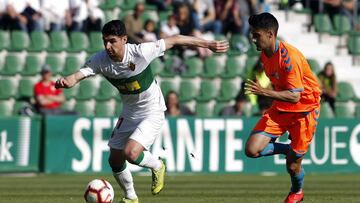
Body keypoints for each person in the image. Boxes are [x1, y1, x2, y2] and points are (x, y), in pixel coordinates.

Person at [55, 20, 228, 203]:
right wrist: (69, 80)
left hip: (152, 110)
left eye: (112, 41)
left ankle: (157, 165)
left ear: (124, 39)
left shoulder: (140, 52)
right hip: (129, 112)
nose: (108, 46)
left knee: (131, 153)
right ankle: (131, 197)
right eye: (104, 41)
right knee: (115, 159)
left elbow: (175, 40)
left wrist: (208, 44)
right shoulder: (101, 60)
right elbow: (80, 73)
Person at [244, 13, 321, 203]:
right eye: (252, 34)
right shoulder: (264, 55)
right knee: (252, 150)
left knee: (293, 166)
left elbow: (295, 96)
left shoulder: (289, 58)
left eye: (256, 35)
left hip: (305, 110)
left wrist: (264, 92)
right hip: (281, 108)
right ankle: (289, 150)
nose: (253, 39)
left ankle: (297, 191)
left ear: (270, 34)